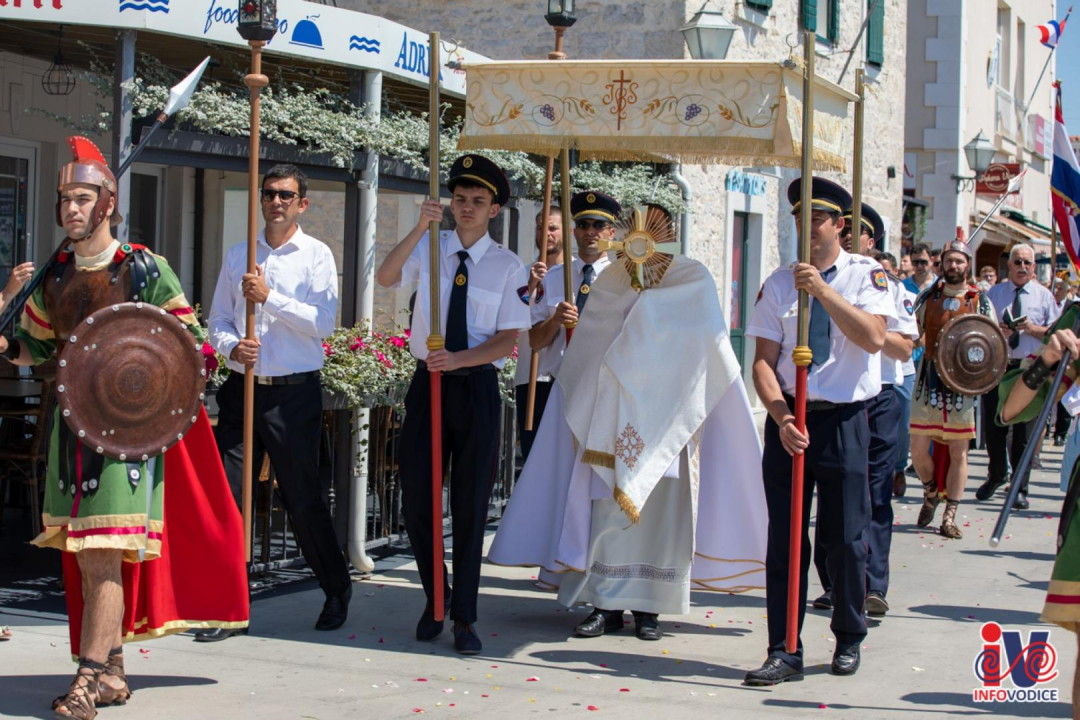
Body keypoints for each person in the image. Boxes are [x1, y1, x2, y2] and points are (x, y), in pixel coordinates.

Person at [0, 136, 248, 718]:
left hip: (126, 436)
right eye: (64, 200)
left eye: (82, 199)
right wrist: (8, 336)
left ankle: (85, 683)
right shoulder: (55, 274)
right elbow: (31, 349)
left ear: (107, 203)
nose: (70, 210)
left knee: (106, 550)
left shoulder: (142, 267)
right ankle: (111, 671)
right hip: (69, 432)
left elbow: (188, 344)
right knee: (87, 555)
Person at [488, 203, 766, 642]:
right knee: (607, 512)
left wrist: (651, 329)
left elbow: (706, 347)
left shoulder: (691, 279)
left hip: (666, 417)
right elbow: (591, 348)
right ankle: (604, 604)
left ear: (667, 238)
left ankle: (650, 607)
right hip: (611, 417)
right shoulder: (611, 281)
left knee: (659, 518)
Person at [376, 154, 528, 655]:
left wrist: (460, 358)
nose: (466, 207)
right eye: (460, 199)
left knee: (469, 504)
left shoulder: (508, 266)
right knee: (417, 498)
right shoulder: (432, 248)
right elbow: (386, 276)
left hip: (475, 389)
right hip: (429, 386)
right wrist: (421, 226)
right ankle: (434, 596)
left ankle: (464, 615)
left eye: (477, 201)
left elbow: (507, 340)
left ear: (494, 209)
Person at [744, 178, 894, 685]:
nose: (807, 229)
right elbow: (762, 363)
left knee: (846, 538)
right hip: (791, 419)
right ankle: (784, 647)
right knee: (786, 538)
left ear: (840, 226)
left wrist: (823, 291)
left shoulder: (865, 274)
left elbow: (874, 338)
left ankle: (849, 634)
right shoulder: (777, 284)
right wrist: (781, 416)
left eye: (819, 220)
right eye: (799, 220)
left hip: (844, 418)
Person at [205, 163, 352, 640]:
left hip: (293, 394)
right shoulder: (238, 255)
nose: (276, 202)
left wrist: (269, 299)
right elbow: (219, 321)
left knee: (302, 498)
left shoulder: (316, 255)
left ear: (301, 203)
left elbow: (324, 323)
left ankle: (335, 588)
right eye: (269, 193)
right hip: (243, 391)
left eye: (286, 195)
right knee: (229, 499)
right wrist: (232, 348)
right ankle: (230, 606)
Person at [812, 208, 916, 618]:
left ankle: (872, 583)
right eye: (847, 232)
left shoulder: (883, 285)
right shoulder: (820, 277)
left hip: (881, 394)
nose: (852, 240)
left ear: (872, 242)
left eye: (861, 235)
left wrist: (864, 326)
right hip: (836, 396)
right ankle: (833, 580)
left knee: (872, 492)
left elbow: (904, 347)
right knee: (832, 494)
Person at [907, 237, 995, 538]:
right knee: (918, 449)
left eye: (959, 261)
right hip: (929, 378)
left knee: (959, 452)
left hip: (961, 383)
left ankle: (950, 514)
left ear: (967, 265)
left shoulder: (979, 300)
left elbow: (992, 343)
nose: (954, 265)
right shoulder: (928, 295)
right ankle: (931, 490)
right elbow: (912, 332)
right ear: (941, 263)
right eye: (949, 261)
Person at [978, 244, 1060, 510]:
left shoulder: (1044, 296)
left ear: (1033, 267)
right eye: (1017, 262)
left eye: (1027, 262)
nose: (1022, 267)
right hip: (999, 365)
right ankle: (997, 473)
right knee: (994, 427)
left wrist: (1032, 328)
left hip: (1029, 368)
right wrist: (997, 327)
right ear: (1009, 265)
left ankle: (1020, 487)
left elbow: (1056, 332)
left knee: (1023, 432)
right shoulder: (994, 293)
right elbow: (981, 325)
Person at [527, 191, 616, 430]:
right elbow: (535, 342)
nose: (591, 231)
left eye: (599, 225)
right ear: (574, 231)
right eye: (583, 224)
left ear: (612, 233)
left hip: (604, 393)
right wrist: (556, 320)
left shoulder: (622, 281)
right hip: (560, 389)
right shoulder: (555, 278)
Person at [514, 205, 563, 462]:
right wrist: (531, 285)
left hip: (564, 378)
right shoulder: (522, 273)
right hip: (529, 377)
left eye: (553, 228)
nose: (546, 234)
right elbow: (511, 317)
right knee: (534, 457)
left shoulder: (575, 275)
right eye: (540, 227)